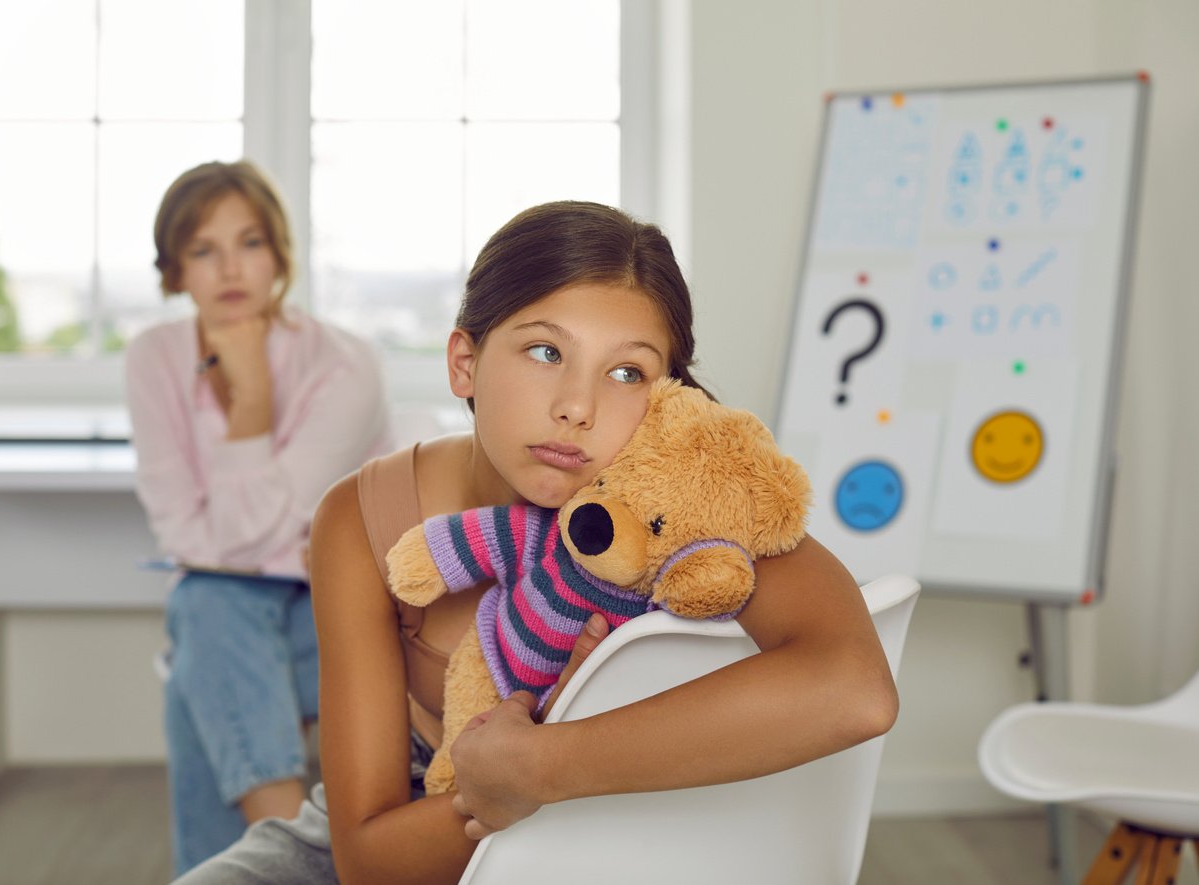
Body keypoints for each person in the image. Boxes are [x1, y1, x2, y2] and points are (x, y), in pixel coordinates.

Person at [174, 201, 898, 884]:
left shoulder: (690, 501)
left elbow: (857, 689)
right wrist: (512, 777)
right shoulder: (363, 517)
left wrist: (547, 761)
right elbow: (369, 860)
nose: (577, 407)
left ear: (668, 395)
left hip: (628, 815)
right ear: (464, 361)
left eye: (627, 372)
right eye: (546, 350)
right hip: (423, 818)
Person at [126, 159, 393, 874]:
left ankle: (271, 866)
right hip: (236, 620)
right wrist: (252, 414)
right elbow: (186, 536)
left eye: (249, 242)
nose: (229, 269)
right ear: (175, 269)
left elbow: (238, 536)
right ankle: (289, 857)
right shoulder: (154, 358)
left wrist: (253, 398)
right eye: (202, 250)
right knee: (209, 610)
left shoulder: (343, 363)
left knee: (201, 636)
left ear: (279, 253)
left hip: (346, 616)